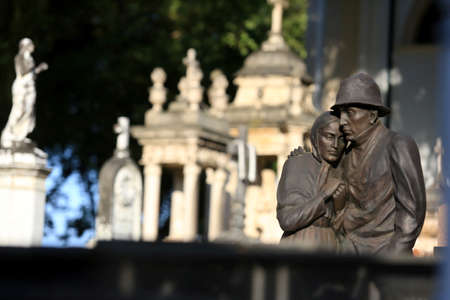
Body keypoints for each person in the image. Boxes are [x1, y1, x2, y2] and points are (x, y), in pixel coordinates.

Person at [331, 72, 426, 255]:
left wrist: (391, 259)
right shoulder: (346, 154)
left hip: (384, 255)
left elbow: (412, 213)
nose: (342, 121)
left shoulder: (397, 145)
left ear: (373, 116)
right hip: (347, 254)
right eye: (340, 113)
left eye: (350, 112)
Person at [277, 111, 346, 250]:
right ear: (315, 137)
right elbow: (287, 219)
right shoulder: (298, 164)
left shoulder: (344, 170)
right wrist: (324, 195)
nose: (335, 144)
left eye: (342, 139)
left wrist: (340, 205)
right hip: (300, 245)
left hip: (332, 247)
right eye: (329, 136)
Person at [1, 38, 47, 148]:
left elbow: (31, 74)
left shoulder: (29, 58)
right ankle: (8, 135)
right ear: (25, 45)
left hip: (30, 87)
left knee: (28, 111)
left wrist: (38, 69)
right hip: (22, 87)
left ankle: (20, 136)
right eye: (30, 43)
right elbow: (23, 72)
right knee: (19, 111)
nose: (33, 45)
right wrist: (37, 69)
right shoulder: (20, 57)